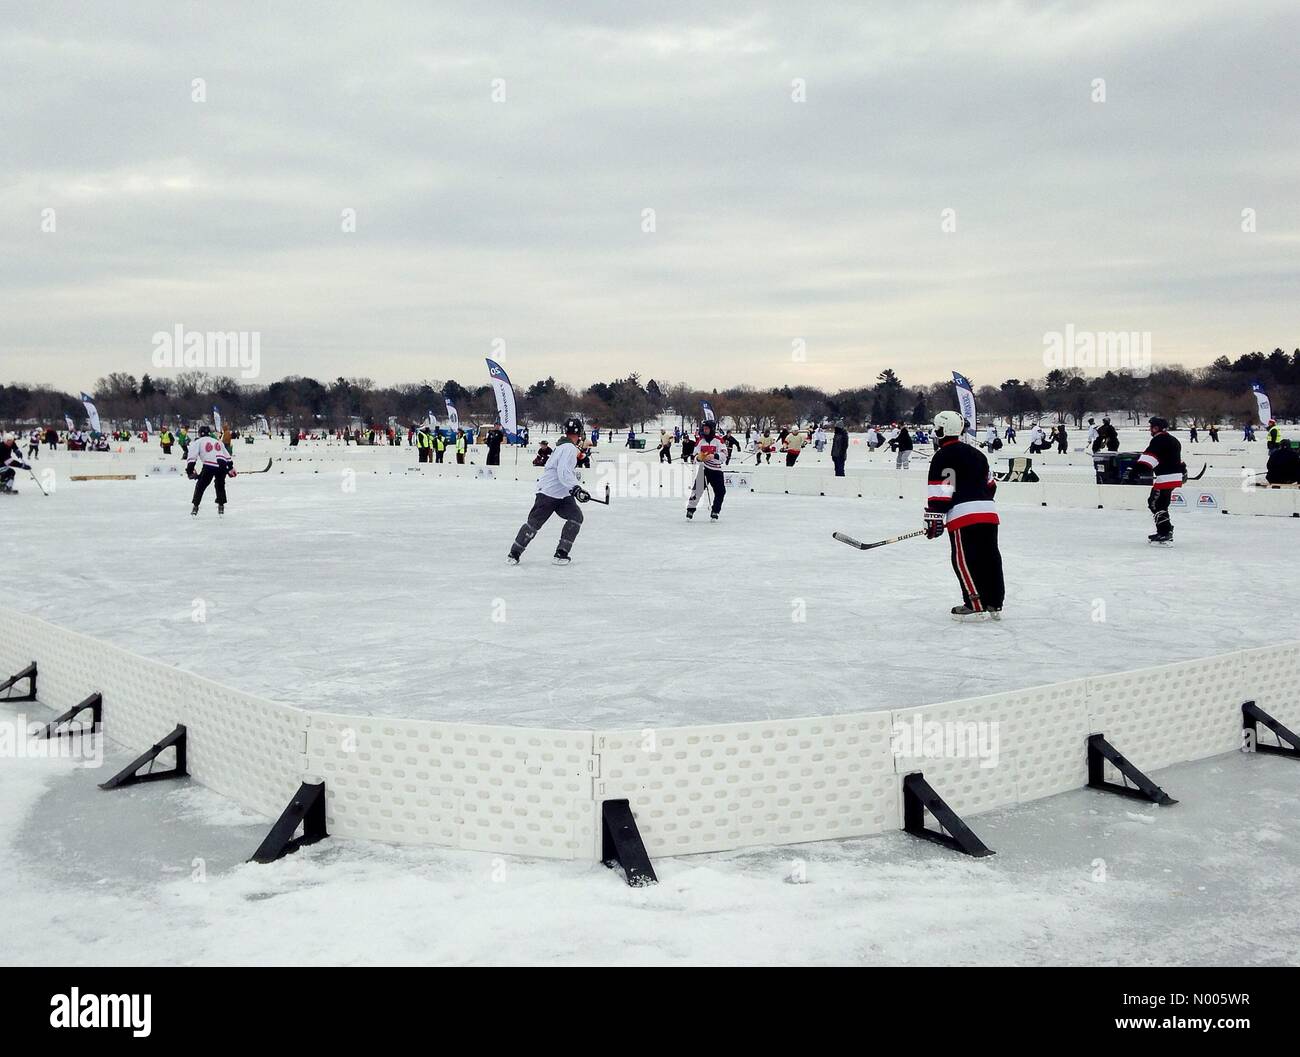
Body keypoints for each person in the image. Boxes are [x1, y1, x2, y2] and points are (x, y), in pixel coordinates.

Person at [924, 411, 1004, 621]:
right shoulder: (978, 454)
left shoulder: (942, 456)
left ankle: (974, 603)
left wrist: (934, 518)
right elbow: (991, 485)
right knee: (989, 557)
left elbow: (942, 491)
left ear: (942, 430)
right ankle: (994, 602)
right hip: (989, 512)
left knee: (964, 559)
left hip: (963, 516)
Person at [507, 417, 591, 566]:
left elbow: (565, 473)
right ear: (579, 433)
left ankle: (561, 552)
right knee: (534, 523)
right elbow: (563, 471)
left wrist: (575, 489)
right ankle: (514, 553)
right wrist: (576, 488)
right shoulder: (569, 448)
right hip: (549, 493)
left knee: (576, 516)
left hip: (563, 493)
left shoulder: (564, 446)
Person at [1136, 416, 1185, 544]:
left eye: (1151, 427)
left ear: (1156, 428)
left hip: (1166, 478)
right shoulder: (1173, 440)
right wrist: (1183, 471)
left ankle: (1165, 531)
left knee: (1155, 503)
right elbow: (1175, 459)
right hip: (1174, 477)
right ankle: (1165, 530)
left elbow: (1149, 459)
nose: (1149, 430)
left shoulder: (1159, 440)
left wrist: (1133, 471)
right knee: (1160, 503)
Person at [186, 426, 235, 517]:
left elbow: (192, 457)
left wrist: (189, 471)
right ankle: (221, 506)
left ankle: (195, 507)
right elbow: (227, 456)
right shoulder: (217, 441)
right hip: (222, 463)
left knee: (201, 485)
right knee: (220, 485)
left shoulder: (198, 442)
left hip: (209, 464)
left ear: (200, 434)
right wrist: (230, 468)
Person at [686, 418, 727, 521]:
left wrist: (714, 456)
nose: (705, 430)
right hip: (704, 469)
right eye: (704, 428)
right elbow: (694, 456)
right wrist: (698, 458)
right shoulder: (700, 441)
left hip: (716, 470)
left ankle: (715, 511)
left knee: (721, 492)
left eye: (707, 429)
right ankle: (690, 509)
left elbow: (724, 455)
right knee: (697, 491)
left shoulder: (719, 440)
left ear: (712, 429)